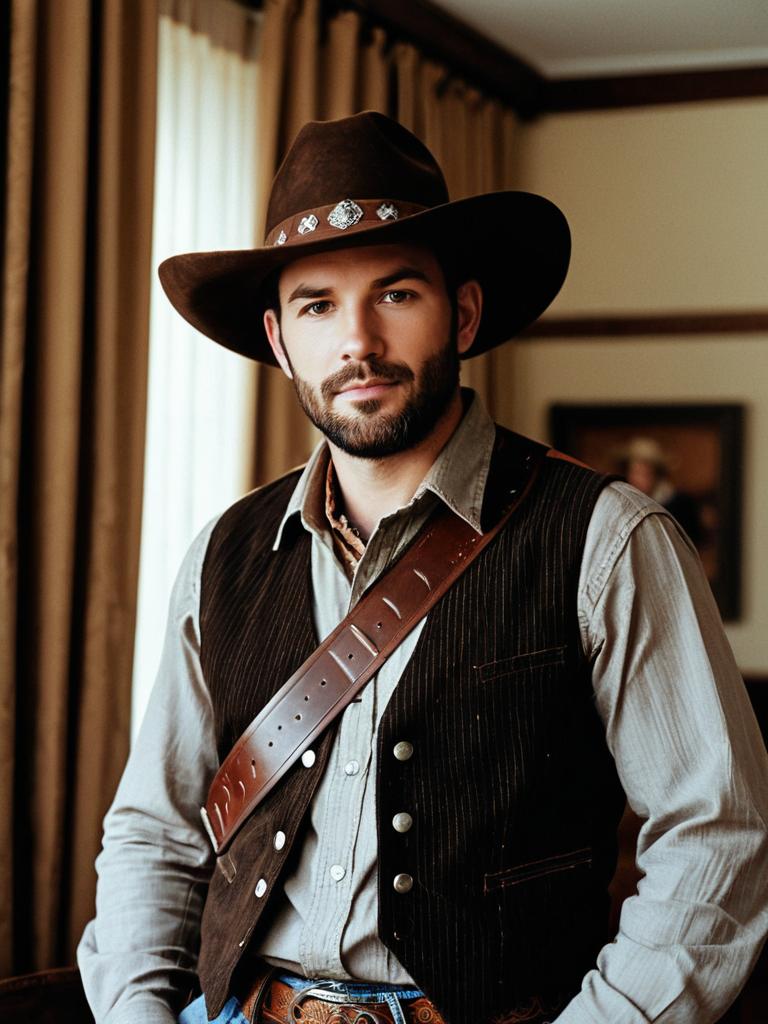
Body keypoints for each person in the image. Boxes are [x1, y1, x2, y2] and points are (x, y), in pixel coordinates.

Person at [78, 112, 768, 1024]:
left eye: (396, 294)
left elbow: (717, 838)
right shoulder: (222, 556)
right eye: (318, 305)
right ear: (281, 341)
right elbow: (154, 833)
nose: (356, 340)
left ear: (465, 313)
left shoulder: (607, 539)